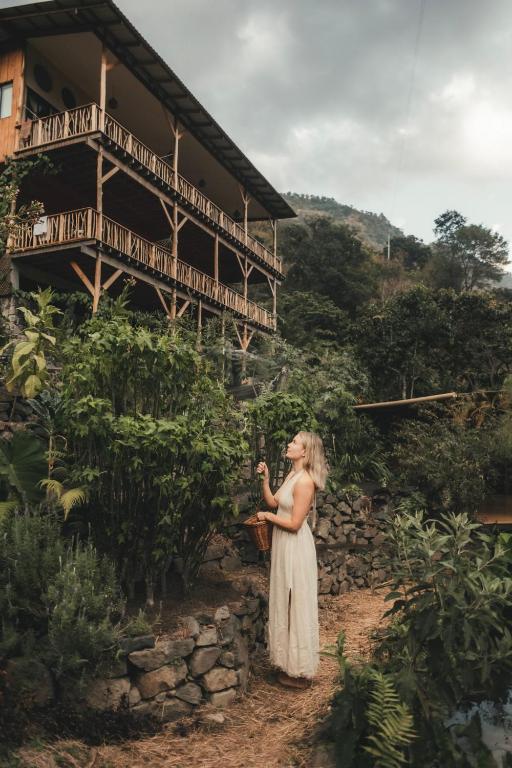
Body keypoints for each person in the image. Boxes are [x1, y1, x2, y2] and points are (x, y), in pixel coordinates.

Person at [256, 431, 328, 689]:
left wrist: (267, 517)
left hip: (296, 547)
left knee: (295, 602)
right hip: (284, 545)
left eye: (295, 442)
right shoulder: (292, 475)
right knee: (284, 601)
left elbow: (295, 524)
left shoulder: (306, 481)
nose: (289, 444)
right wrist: (265, 480)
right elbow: (275, 502)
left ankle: (299, 670)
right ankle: (287, 663)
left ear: (305, 452)